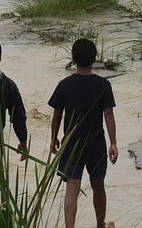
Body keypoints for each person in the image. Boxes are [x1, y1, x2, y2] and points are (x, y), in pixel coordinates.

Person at [48, 38, 118, 228]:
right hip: (96, 144)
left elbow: (56, 116)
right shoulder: (103, 85)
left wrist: (53, 138)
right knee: (98, 186)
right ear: (94, 59)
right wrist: (113, 143)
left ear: (73, 58)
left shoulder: (65, 85)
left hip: (72, 146)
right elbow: (109, 114)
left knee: (72, 189)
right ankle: (100, 224)